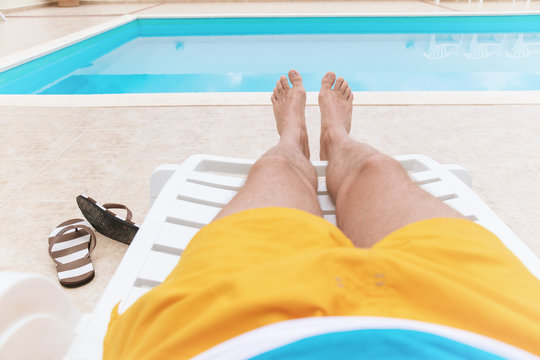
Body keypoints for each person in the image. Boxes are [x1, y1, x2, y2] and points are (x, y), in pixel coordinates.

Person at [104, 71, 540, 359]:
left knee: (276, 170)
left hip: (221, 328)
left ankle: (294, 144)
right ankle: (338, 140)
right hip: (489, 324)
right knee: (376, 170)